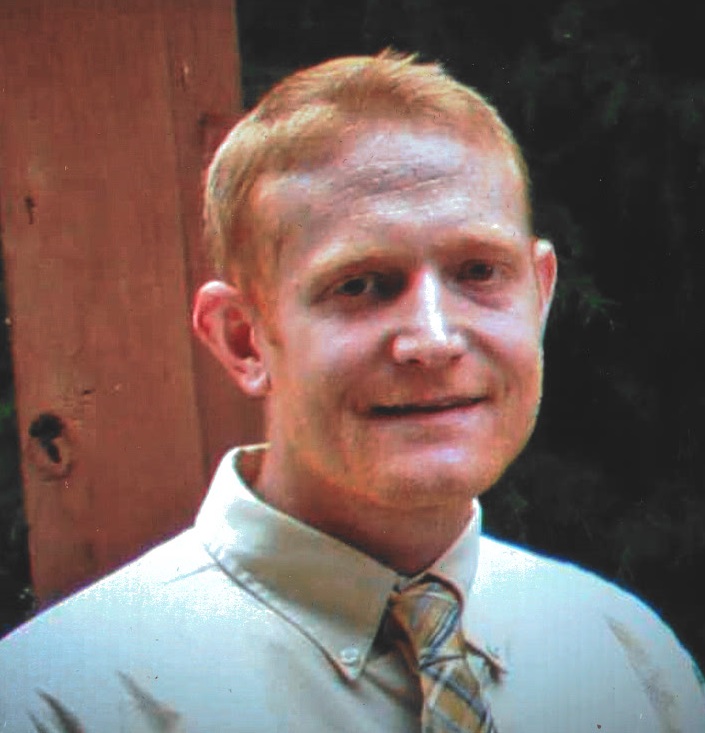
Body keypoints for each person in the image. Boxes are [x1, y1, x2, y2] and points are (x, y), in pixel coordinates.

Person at [1, 51, 704, 733]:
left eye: (479, 272)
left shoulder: (626, 661)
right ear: (244, 339)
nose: (433, 339)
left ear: (540, 295)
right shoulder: (59, 702)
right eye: (361, 285)